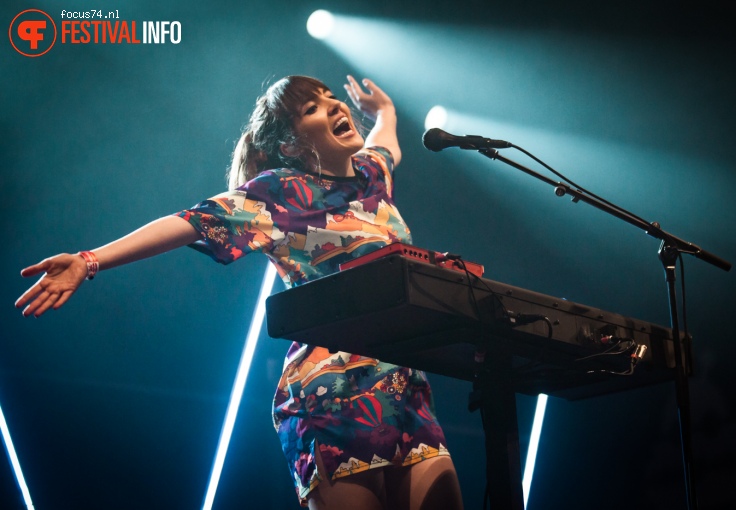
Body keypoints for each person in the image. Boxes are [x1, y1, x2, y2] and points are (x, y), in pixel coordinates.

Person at [15, 74, 464, 510]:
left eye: (330, 97)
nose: (332, 105)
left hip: (406, 391)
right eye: (312, 108)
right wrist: (89, 260)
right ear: (289, 145)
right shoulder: (280, 193)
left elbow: (387, 142)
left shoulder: (372, 176)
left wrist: (384, 110)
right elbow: (188, 222)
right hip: (333, 394)